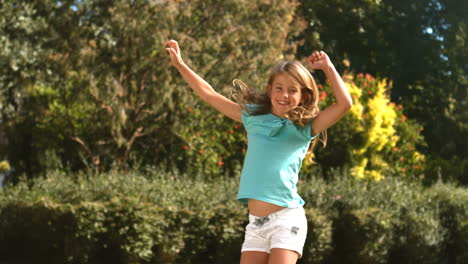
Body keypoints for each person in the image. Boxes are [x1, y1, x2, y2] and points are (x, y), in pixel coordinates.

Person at [165, 39, 352, 264]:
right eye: (279, 88)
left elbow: (344, 104)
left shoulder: (303, 128)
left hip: (287, 220)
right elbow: (209, 94)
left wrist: (328, 68)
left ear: (303, 96)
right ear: (269, 90)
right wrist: (180, 65)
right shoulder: (253, 119)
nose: (284, 95)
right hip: (256, 224)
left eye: (292, 91)